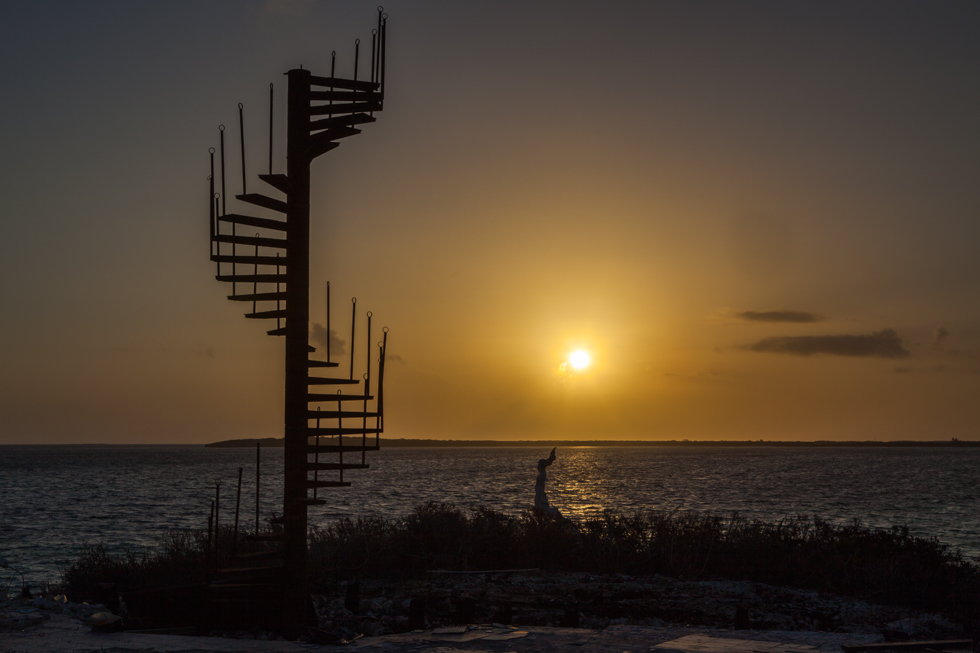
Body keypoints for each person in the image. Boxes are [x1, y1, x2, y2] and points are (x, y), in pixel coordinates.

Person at [534, 447, 561, 518]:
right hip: (539, 493)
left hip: (540, 494)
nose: (538, 466)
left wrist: (551, 456)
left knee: (541, 509)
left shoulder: (542, 474)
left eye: (539, 464)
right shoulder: (542, 473)